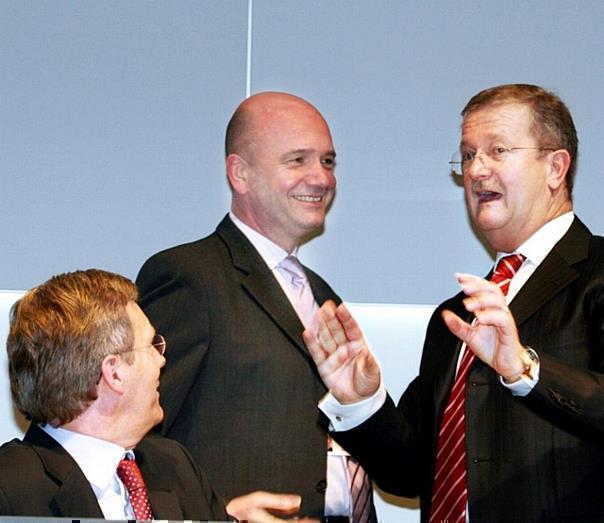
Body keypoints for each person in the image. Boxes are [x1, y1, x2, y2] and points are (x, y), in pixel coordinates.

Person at [304, 84, 604, 522]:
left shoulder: (597, 273)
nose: (476, 170)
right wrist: (362, 403)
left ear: (555, 167)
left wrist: (525, 370)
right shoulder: (458, 315)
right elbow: (408, 474)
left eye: (497, 150)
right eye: (467, 155)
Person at [136, 92, 376, 520]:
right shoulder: (189, 276)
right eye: (298, 160)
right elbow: (135, 431)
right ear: (240, 173)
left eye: (327, 161)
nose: (321, 178)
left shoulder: (322, 294)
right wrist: (214, 518)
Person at [0, 269, 301, 520]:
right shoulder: (11, 489)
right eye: (152, 344)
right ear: (114, 372)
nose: (162, 359)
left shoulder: (175, 467)